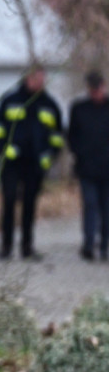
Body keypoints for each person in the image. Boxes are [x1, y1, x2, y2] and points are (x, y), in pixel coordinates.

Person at [0, 66, 65, 260]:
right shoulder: (10, 100)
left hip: (35, 164)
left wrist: (50, 155)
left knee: (30, 205)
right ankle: (6, 246)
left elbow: (57, 135)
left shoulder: (49, 103)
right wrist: (4, 149)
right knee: (9, 202)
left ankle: (27, 247)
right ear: (27, 79)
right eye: (36, 79)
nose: (40, 83)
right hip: (12, 163)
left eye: (42, 79)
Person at [68, 70, 109, 261]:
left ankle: (105, 245)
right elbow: (71, 137)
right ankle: (88, 244)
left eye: (98, 89)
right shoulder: (79, 108)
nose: (96, 93)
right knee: (90, 205)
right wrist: (80, 153)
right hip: (87, 168)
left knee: (106, 207)